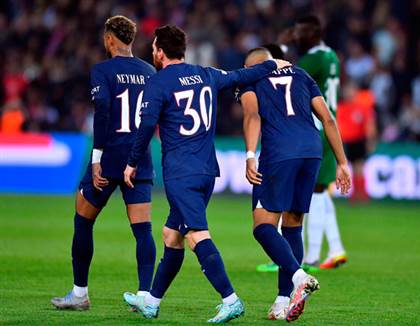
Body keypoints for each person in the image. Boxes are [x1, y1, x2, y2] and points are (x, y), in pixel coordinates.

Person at [123, 25, 290, 323]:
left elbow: (146, 126)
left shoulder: (158, 83)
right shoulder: (206, 74)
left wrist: (132, 162)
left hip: (181, 173)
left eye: (154, 48)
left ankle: (231, 299)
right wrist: (270, 64)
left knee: (197, 235)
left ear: (160, 51)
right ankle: (151, 300)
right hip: (206, 171)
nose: (152, 52)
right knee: (171, 235)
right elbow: (241, 75)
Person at [51, 16, 157, 310]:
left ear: (110, 38)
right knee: (142, 230)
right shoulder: (150, 71)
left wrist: (96, 158)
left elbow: (104, 111)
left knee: (83, 220)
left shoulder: (102, 70)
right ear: (131, 40)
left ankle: (80, 294)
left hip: (109, 158)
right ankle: (146, 297)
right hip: (139, 160)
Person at [240, 47, 351, 321]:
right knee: (292, 225)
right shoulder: (301, 75)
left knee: (263, 226)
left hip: (280, 152)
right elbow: (328, 119)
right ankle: (282, 301)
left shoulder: (253, 79)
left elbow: (252, 116)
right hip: (312, 151)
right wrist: (342, 162)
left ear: (257, 65)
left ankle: (299, 276)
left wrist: (251, 154)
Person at [293, 15, 348, 271]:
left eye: (300, 31)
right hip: (331, 123)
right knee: (321, 191)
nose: (296, 36)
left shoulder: (311, 59)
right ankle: (335, 248)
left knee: (312, 190)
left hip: (317, 124)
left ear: (313, 32)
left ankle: (312, 255)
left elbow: (289, 76)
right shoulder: (332, 56)